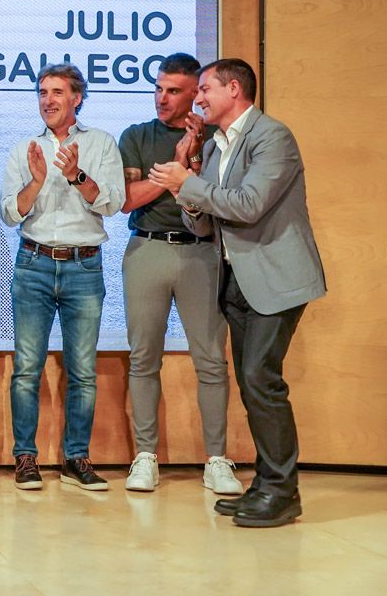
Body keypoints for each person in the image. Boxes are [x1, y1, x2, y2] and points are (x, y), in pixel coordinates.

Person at [150, 58, 325, 528]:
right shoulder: (214, 146)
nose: (198, 98)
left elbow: (248, 206)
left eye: (204, 89)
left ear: (233, 89)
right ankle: (267, 485)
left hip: (276, 280)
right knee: (253, 384)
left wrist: (189, 184)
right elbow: (204, 223)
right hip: (236, 280)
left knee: (261, 380)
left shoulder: (272, 137)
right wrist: (187, 195)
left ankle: (282, 492)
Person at [118, 53, 242, 495]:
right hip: (147, 249)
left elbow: (222, 200)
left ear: (195, 95)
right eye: (158, 88)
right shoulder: (136, 135)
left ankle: (217, 459)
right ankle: (145, 456)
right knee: (143, 358)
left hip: (203, 254)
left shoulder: (217, 140)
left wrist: (192, 168)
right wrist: (174, 169)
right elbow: (127, 199)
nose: (162, 98)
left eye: (174, 91)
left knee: (211, 360)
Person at [0, 64, 124, 491]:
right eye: (42, 92)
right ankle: (25, 457)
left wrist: (76, 176)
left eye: (56, 92)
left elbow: (112, 203)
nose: (47, 100)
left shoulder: (101, 143)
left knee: (83, 369)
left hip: (84, 266)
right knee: (26, 368)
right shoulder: (25, 148)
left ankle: (76, 458)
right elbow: (10, 213)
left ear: (77, 98)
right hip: (33, 263)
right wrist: (37, 182)